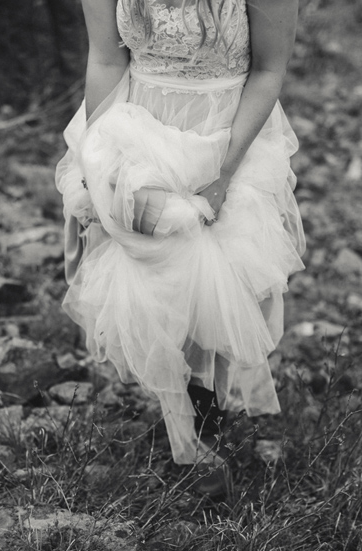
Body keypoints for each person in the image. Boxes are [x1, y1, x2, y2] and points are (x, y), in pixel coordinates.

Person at [57, 0, 305, 499]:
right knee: (154, 274)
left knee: (218, 276)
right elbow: (107, 59)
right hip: (137, 128)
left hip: (226, 132)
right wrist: (94, 156)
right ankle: (181, 424)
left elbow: (268, 70)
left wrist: (224, 174)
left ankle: (203, 433)